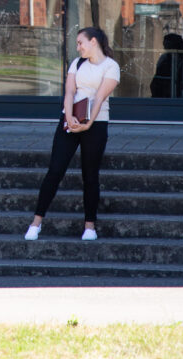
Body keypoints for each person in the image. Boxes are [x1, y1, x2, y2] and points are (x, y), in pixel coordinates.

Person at [24, 26, 120, 243]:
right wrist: (68, 117)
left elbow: (99, 98)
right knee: (55, 170)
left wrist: (87, 125)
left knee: (90, 174)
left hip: (95, 124)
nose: (78, 47)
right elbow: (69, 92)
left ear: (93, 41)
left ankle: (89, 227)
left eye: (80, 43)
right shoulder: (77, 63)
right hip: (70, 120)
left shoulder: (111, 67)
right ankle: (36, 223)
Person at [150, 32, 183, 97]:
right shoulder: (165, 57)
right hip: (161, 90)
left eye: (167, 45)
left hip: (174, 90)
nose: (164, 47)